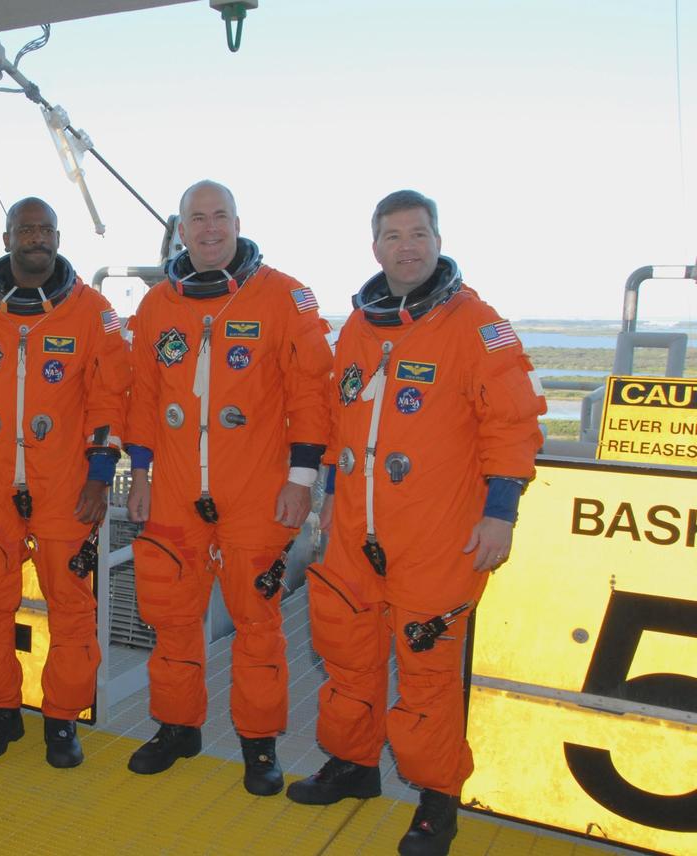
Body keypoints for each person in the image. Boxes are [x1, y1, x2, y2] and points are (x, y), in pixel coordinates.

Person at [286, 190, 544, 856]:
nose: (408, 246)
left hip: (435, 536)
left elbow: (513, 424)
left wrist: (501, 514)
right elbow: (341, 422)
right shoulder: (358, 326)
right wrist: (326, 501)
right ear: (376, 246)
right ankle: (353, 765)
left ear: (437, 240)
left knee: (427, 675)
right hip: (354, 531)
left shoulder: (476, 325)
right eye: (395, 235)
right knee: (348, 656)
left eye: (419, 233)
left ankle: (436, 800)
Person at [123, 180, 333, 795]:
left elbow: (310, 395)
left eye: (220, 216)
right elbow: (143, 397)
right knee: (171, 618)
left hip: (257, 492)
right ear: (181, 229)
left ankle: (258, 743)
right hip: (175, 491)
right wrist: (141, 473)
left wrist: (301, 480)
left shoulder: (284, 296)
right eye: (197, 218)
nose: (209, 228)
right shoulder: (157, 305)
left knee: (257, 623)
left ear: (238, 224)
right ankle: (177, 726)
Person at [0, 197, 131, 767]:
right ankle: (0, 713)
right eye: (25, 229)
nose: (35, 238)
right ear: (7, 237)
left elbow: (108, 401)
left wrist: (99, 477)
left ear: (58, 238)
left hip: (66, 488)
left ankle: (61, 721)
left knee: (71, 609)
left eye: (44, 230)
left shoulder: (93, 312)